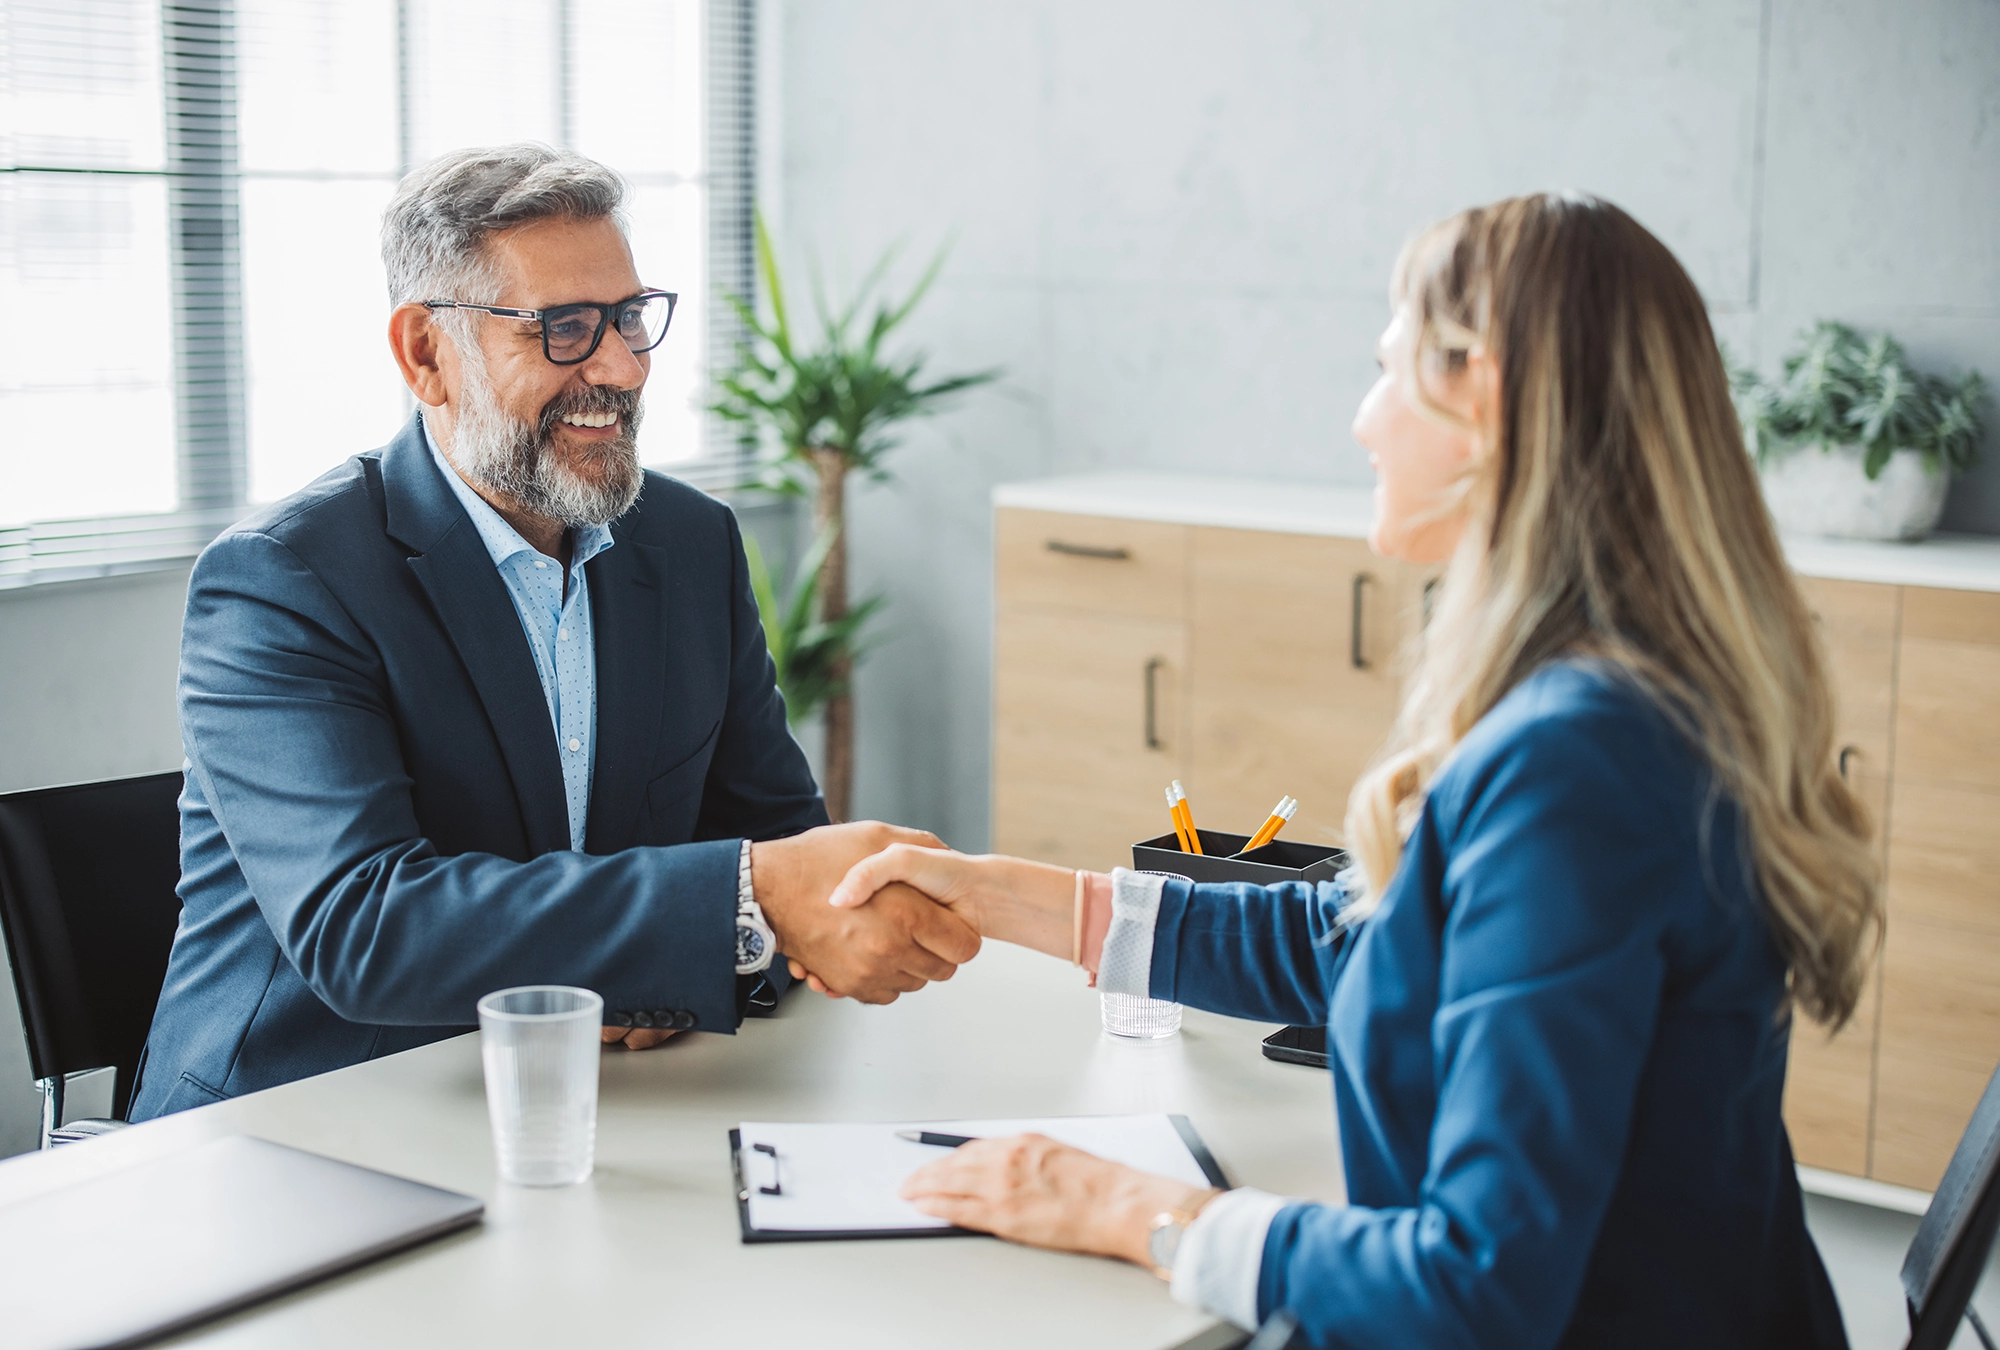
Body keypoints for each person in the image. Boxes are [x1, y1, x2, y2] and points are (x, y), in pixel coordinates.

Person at [819, 194, 1878, 1348]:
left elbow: (1475, 1286)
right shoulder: (1611, 698)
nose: (1365, 422)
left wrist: (1137, 1212)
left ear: (1484, 397)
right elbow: (1355, 944)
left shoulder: (1576, 762)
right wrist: (1010, 895)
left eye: (1385, 371)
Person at [130, 144, 977, 1121]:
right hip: (305, 1123)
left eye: (626, 318)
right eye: (564, 329)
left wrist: (691, 966)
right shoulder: (286, 580)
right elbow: (366, 929)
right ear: (425, 354)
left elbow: (775, 847)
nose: (619, 367)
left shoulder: (690, 544)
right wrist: (734, 907)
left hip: (587, 1106)